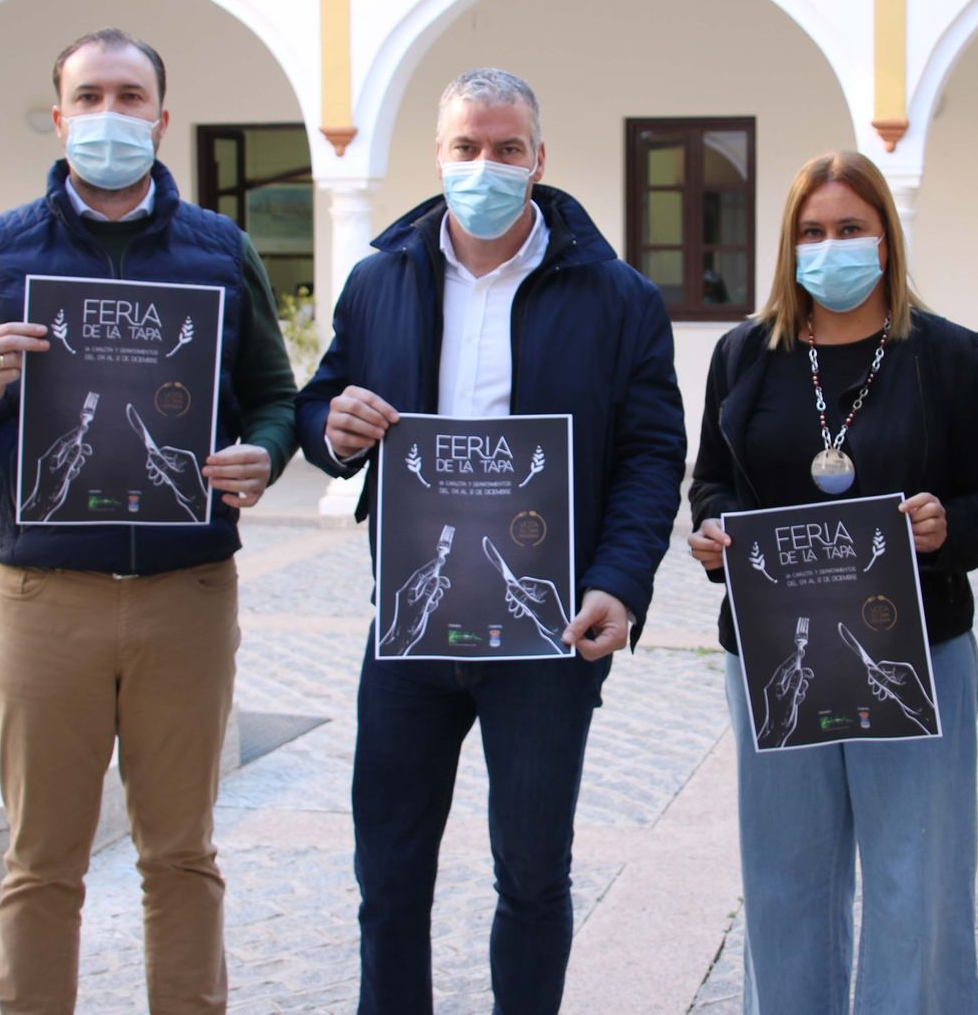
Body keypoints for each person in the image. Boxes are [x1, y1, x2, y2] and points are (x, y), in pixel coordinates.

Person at [0, 29, 298, 1011]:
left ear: (162, 117)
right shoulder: (0, 249)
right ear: (60, 109)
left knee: (181, 854)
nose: (109, 113)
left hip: (185, 597)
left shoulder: (219, 248)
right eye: (90, 94)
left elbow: (274, 397)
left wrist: (266, 453)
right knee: (42, 861)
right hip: (45, 601)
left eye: (129, 96)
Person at [294, 67, 686, 1013]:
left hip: (543, 633)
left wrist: (621, 582)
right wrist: (330, 430)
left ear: (539, 159)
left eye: (507, 149)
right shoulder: (381, 278)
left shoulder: (617, 296)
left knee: (533, 879)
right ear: (439, 157)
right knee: (388, 881)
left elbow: (650, 453)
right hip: (411, 632)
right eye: (467, 148)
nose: (486, 165)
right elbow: (322, 401)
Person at [687, 151, 978, 1013]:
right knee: (785, 881)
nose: (832, 248)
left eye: (851, 229)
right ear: (789, 247)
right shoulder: (746, 356)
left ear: (886, 240)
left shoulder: (949, 356)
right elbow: (712, 479)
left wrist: (949, 528)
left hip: (916, 653)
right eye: (812, 232)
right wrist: (713, 529)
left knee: (918, 882)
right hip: (776, 656)